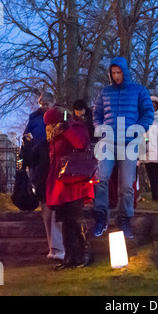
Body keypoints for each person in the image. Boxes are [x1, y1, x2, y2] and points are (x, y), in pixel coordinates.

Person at [92, 57, 154, 238]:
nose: (116, 76)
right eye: (113, 73)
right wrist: (100, 129)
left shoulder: (138, 91)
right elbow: (96, 114)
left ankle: (125, 218)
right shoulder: (105, 92)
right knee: (101, 178)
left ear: (124, 72)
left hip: (129, 143)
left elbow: (148, 113)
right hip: (109, 142)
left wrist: (138, 130)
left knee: (127, 185)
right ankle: (101, 216)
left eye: (119, 72)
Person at [44, 107, 95, 270]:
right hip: (62, 183)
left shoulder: (75, 126)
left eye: (51, 123)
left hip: (75, 180)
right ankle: (70, 256)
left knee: (75, 217)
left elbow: (81, 143)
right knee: (66, 220)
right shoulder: (55, 134)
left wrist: (66, 129)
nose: (48, 128)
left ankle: (85, 253)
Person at [21, 92, 64, 261]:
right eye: (42, 104)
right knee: (46, 208)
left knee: (57, 212)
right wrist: (27, 145)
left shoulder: (61, 115)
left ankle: (60, 246)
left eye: (47, 103)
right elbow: (28, 136)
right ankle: (53, 246)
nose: (44, 106)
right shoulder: (34, 118)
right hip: (40, 160)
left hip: (56, 162)